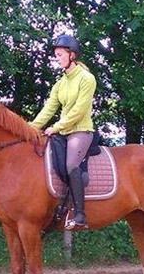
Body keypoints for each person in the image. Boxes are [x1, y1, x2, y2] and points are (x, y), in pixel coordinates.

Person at [30, 34, 97, 229]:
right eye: (56, 55)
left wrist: (56, 127)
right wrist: (29, 129)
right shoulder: (60, 84)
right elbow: (49, 109)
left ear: (72, 55)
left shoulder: (87, 79)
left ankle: (80, 216)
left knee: (71, 165)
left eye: (60, 55)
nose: (57, 58)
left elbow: (79, 111)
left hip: (81, 131)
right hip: (63, 131)